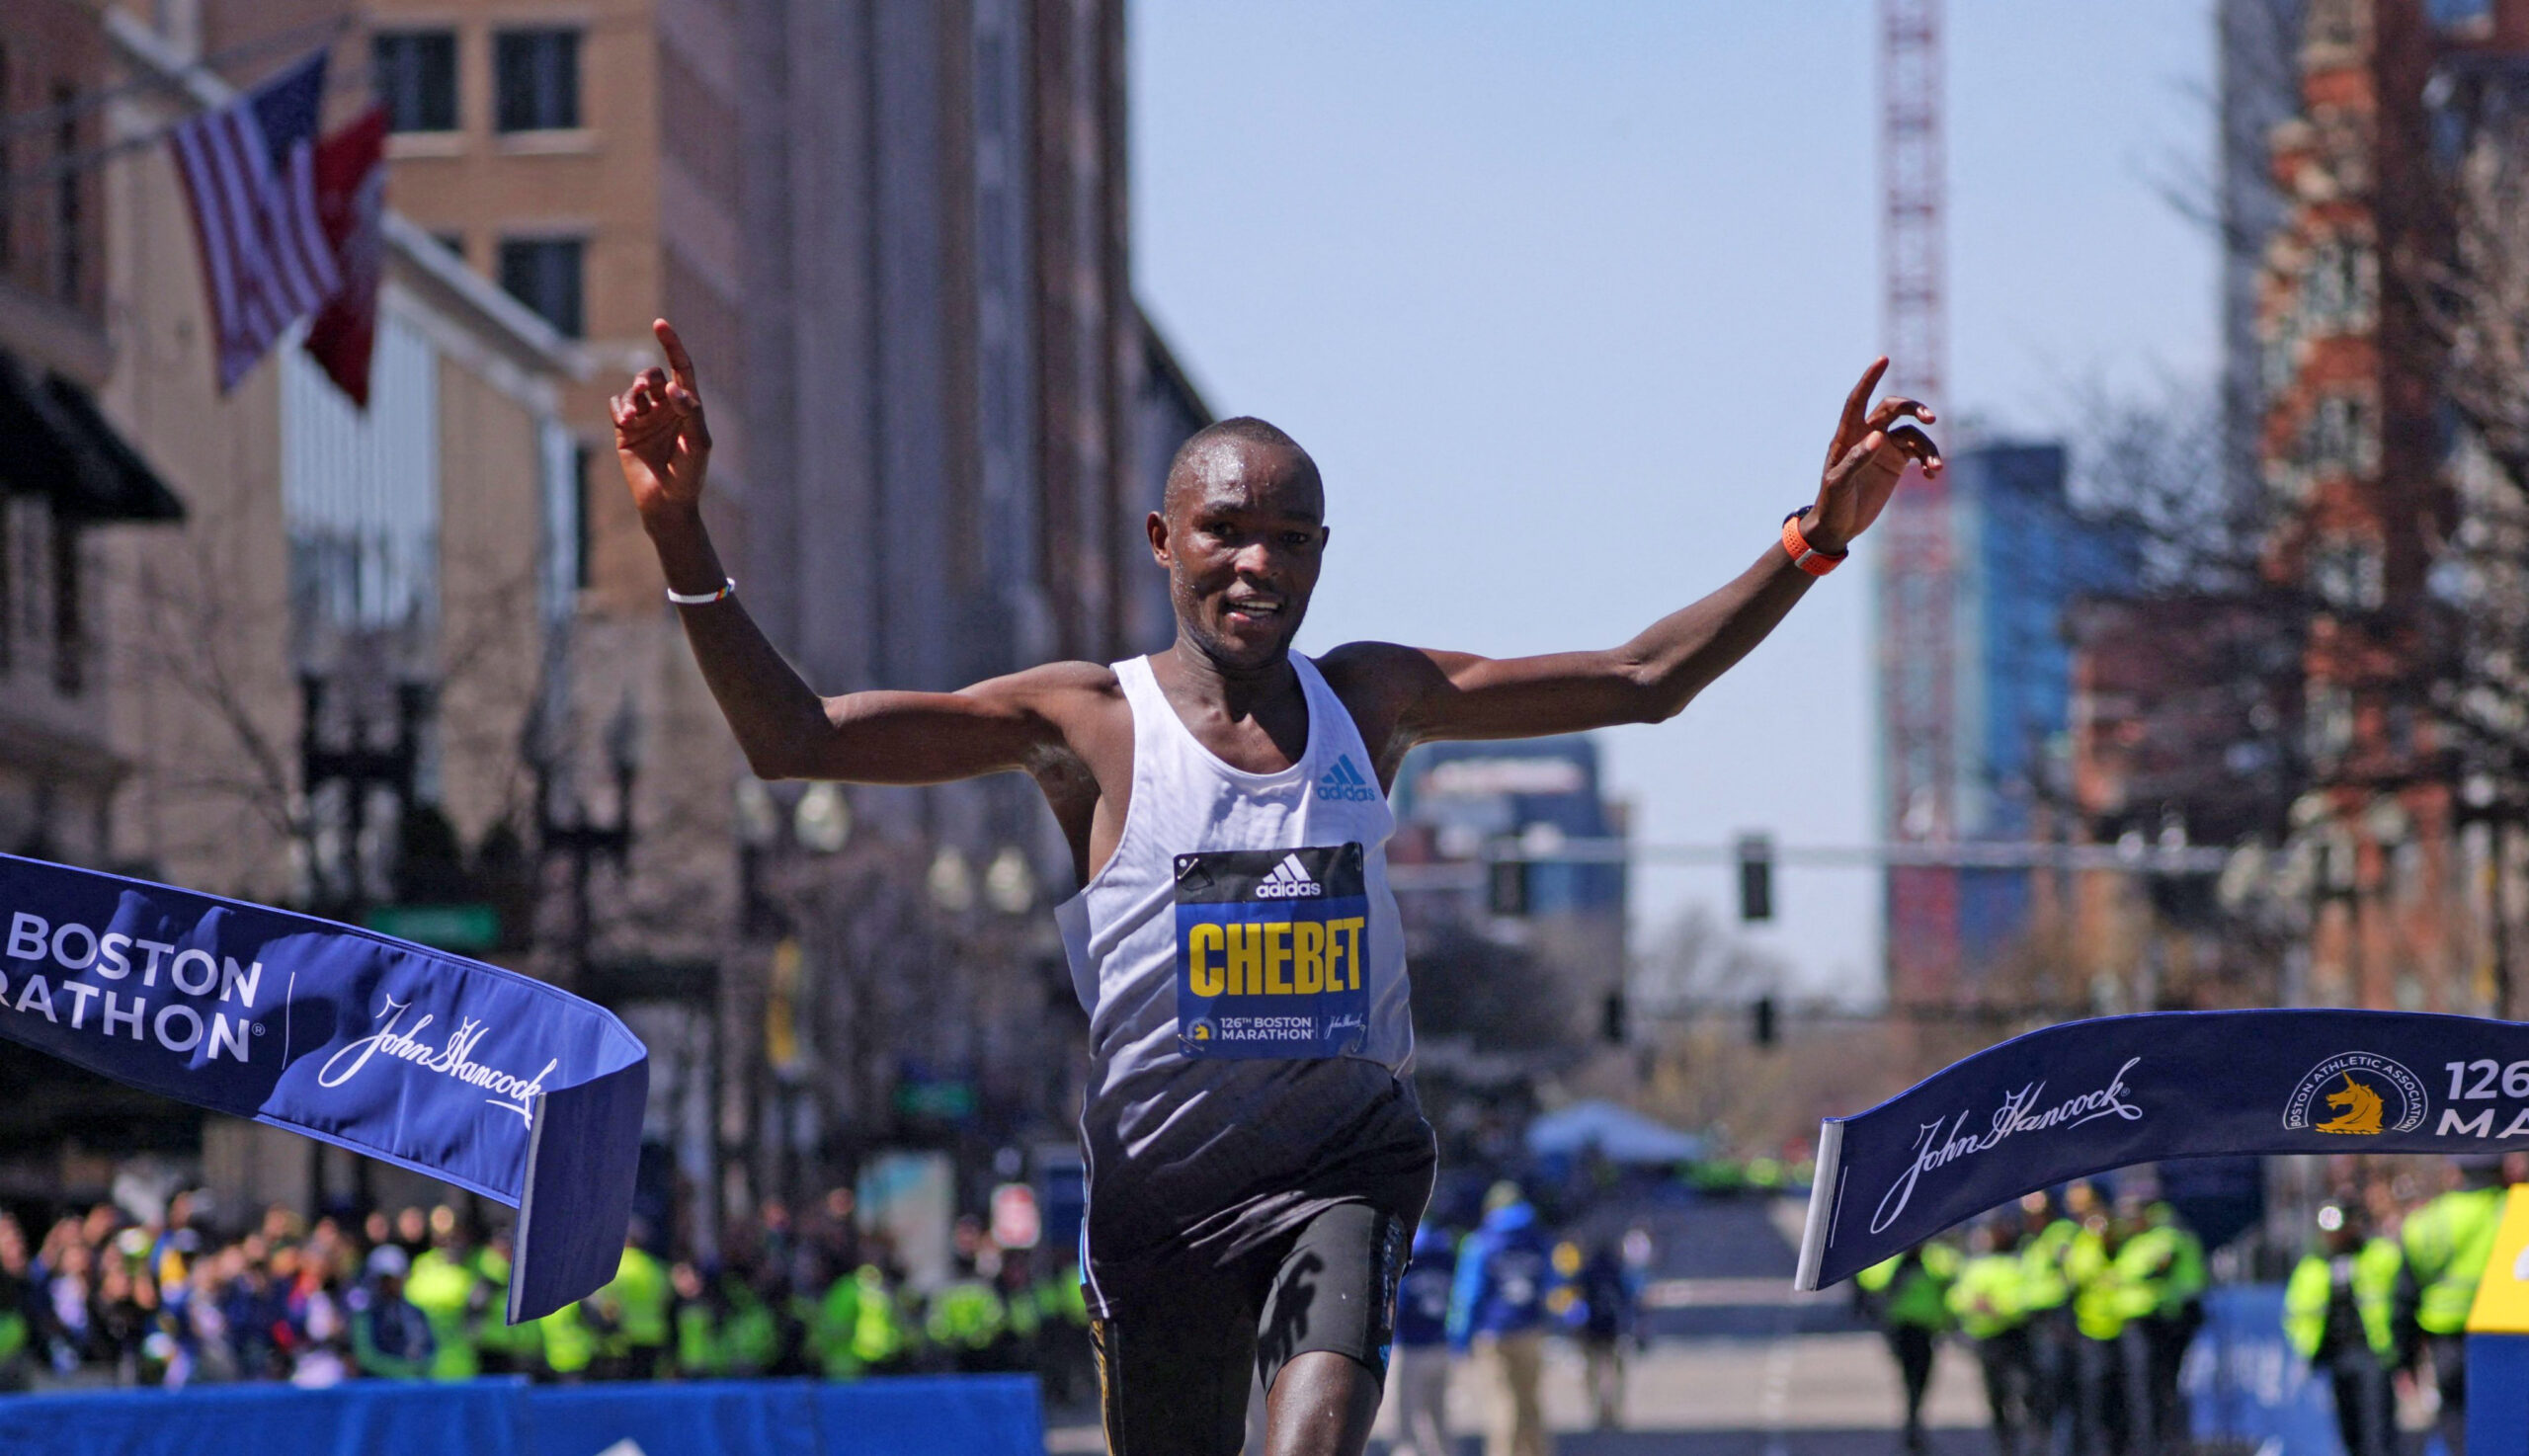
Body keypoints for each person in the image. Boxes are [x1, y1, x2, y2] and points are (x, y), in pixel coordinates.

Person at [609, 320, 1938, 1456]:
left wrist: (1816, 536)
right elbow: (800, 740)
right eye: (1226, 533)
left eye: (1289, 540)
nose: (1258, 566)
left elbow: (1645, 680)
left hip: (1341, 1170)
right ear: (1162, 539)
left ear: (1320, 552)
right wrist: (680, 534)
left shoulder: (1373, 698)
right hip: (1160, 1199)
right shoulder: (1089, 722)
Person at [2402, 1156, 2506, 1456]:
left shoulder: (2428, 1221)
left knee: (2456, 1421)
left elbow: (2405, 1294)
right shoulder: (2514, 1210)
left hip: (2445, 1340)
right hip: (2506, 1335)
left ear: (2455, 1172)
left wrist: (2404, 1356)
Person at [2284, 1201, 2401, 1456]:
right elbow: (2296, 1314)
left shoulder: (2380, 1255)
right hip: (2337, 1355)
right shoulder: (2312, 1268)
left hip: (2374, 1353)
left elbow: (2401, 1297)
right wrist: (2308, 1347)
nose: (2334, 1237)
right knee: (2350, 1430)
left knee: (2378, 1430)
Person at [1447, 1184, 1556, 1456]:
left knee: (1503, 1407)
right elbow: (1551, 1283)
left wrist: (1460, 1338)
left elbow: (1468, 1294)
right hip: (1531, 1329)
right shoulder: (1537, 1237)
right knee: (1531, 1403)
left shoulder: (1482, 1241)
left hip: (1494, 1333)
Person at [1856, 1241, 1958, 1454]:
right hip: (1900, 1329)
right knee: (1909, 1376)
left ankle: (1914, 1417)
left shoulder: (1934, 1256)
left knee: (1922, 1376)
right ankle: (1912, 1420)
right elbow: (1871, 1280)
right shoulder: (1891, 1256)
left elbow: (1952, 1271)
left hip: (1926, 1329)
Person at [1949, 1222, 2034, 1456]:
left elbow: (2027, 1296)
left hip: (2014, 1335)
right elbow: (1957, 1296)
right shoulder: (1975, 1265)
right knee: (1995, 1394)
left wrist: (2000, 1307)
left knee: (2023, 1388)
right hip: (1987, 1338)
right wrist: (1974, 1303)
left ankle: (2030, 1436)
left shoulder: (2017, 1261)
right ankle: (2005, 1442)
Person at [1388, 1221, 1457, 1456]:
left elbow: (1399, 1303)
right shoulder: (1447, 1257)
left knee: (1405, 1426)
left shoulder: (1407, 1259)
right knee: (1438, 1422)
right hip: (1441, 1346)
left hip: (1410, 1349)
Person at [1575, 1236, 1641, 1430]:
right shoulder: (1617, 1271)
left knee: (1592, 1371)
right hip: (1613, 1327)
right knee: (1615, 1371)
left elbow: (1576, 1298)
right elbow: (1628, 1299)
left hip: (1591, 1328)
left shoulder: (1586, 1272)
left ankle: (1596, 1410)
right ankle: (1615, 1410)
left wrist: (1574, 1324)